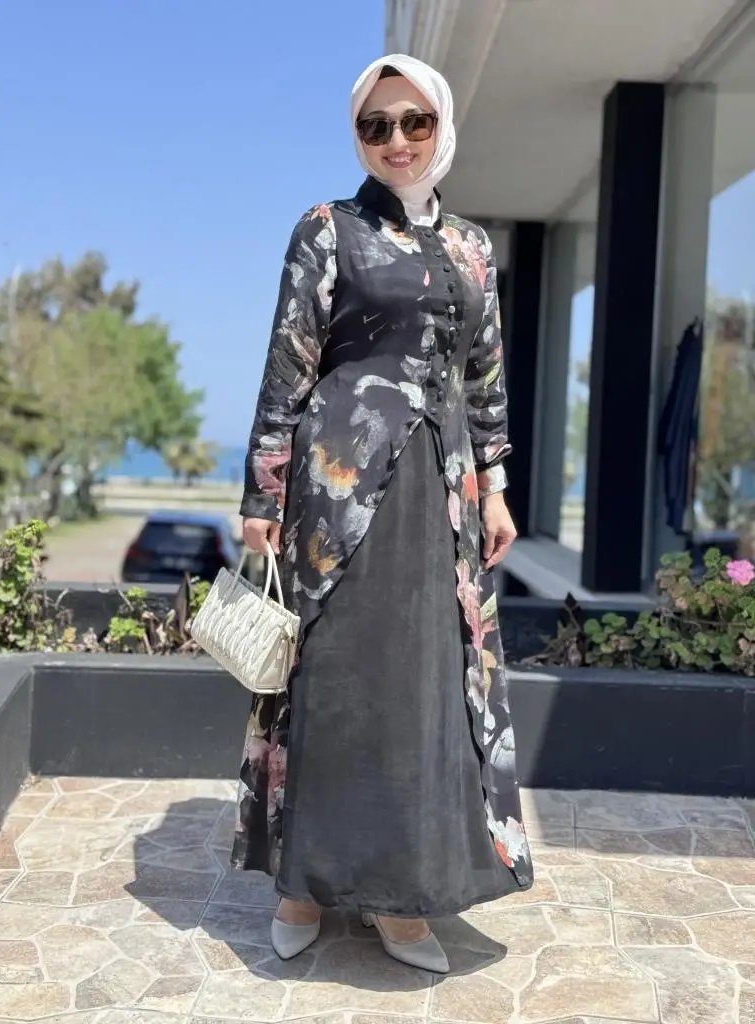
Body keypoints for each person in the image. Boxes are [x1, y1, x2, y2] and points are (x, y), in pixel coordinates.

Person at [235, 53, 534, 975]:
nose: (396, 140)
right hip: (337, 494)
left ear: (441, 126)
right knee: (334, 679)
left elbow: (484, 374)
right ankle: (304, 885)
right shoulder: (328, 230)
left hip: (441, 496)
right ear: (357, 137)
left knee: (423, 690)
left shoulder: (473, 247)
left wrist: (496, 486)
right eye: (376, 125)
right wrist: (263, 494)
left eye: (414, 122)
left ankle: (402, 898)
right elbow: (289, 361)